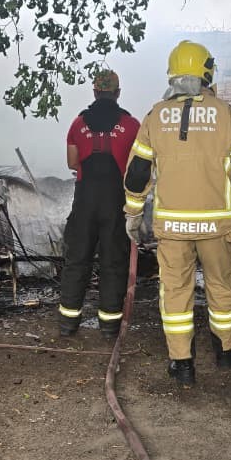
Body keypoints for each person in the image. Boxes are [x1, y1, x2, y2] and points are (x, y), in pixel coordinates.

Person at [122, 40, 231, 386]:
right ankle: (228, 351)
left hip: (171, 228)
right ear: (206, 72)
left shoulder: (155, 116)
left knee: (175, 291)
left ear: (173, 74)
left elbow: (139, 172)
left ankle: (181, 363)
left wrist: (133, 214)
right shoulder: (226, 114)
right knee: (221, 286)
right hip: (217, 226)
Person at [57, 69, 141, 339]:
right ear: (117, 93)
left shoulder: (77, 123)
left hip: (85, 202)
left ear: (94, 92)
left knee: (76, 260)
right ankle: (109, 326)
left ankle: (68, 323)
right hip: (116, 203)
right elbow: (137, 167)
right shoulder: (131, 125)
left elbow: (72, 163)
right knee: (113, 261)